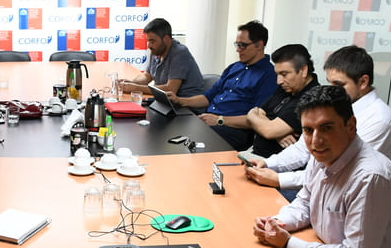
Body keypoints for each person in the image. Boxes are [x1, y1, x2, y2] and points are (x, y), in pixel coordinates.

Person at [252, 85, 391, 248]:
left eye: (327, 128)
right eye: (308, 130)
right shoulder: (323, 155)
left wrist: (288, 244)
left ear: (351, 126)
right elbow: (304, 202)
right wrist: (277, 223)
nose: (316, 141)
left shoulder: (369, 177)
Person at [245, 45, 391, 191]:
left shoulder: (380, 119)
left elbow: (341, 172)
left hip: (344, 192)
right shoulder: (336, 105)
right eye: (330, 83)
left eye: (338, 85)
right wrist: (268, 164)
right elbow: (303, 150)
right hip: (315, 187)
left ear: (363, 82)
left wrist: (279, 179)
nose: (332, 90)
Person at [167, 20, 276, 150]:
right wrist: (180, 100)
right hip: (209, 120)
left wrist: (219, 119)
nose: (238, 49)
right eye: (237, 44)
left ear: (259, 45)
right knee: (171, 127)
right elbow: (208, 97)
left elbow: (257, 118)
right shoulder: (234, 67)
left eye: (243, 45)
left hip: (233, 130)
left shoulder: (269, 75)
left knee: (187, 144)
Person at [243, 44, 319, 158]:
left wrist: (269, 128)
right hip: (254, 153)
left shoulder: (312, 98)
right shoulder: (287, 87)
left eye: (284, 74)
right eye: (277, 74)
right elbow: (258, 112)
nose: (279, 81)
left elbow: (268, 130)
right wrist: (277, 133)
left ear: (303, 70)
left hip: (276, 164)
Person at [118, 17, 205, 98]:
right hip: (165, 102)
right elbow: (147, 76)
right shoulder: (156, 50)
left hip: (186, 106)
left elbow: (170, 89)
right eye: (148, 41)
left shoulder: (180, 53)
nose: (149, 45)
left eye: (152, 41)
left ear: (166, 39)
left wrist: (136, 88)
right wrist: (131, 83)